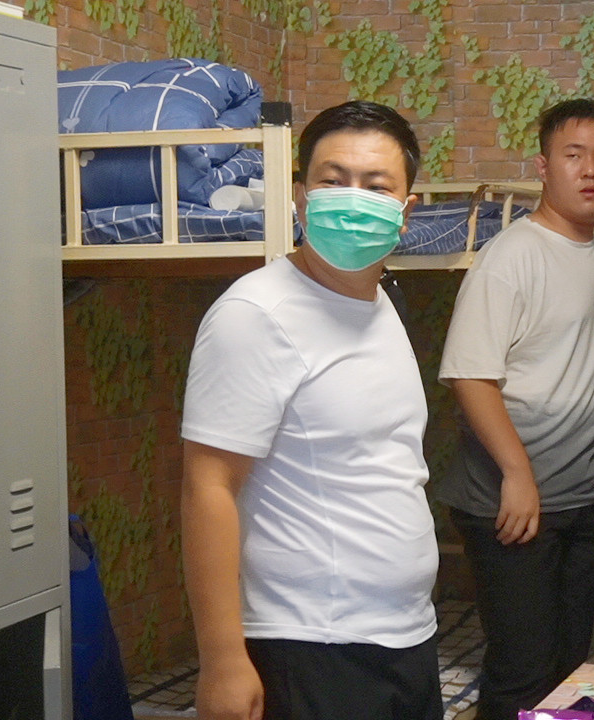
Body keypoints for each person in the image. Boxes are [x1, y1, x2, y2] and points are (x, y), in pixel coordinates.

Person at [180, 101, 442, 720]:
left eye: (376, 186)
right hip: (311, 647)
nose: (353, 199)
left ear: (406, 212)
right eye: (333, 180)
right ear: (300, 196)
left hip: (405, 637)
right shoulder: (256, 314)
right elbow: (207, 486)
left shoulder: (381, 303)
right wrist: (222, 661)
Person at [436, 98, 594, 720]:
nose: (590, 170)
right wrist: (517, 473)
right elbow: (470, 375)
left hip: (577, 497)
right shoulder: (511, 256)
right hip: (509, 501)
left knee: (568, 672)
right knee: (523, 672)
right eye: (574, 155)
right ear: (544, 167)